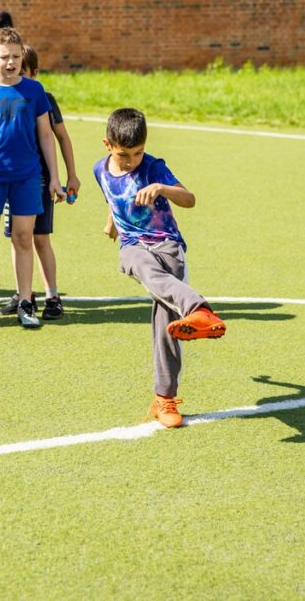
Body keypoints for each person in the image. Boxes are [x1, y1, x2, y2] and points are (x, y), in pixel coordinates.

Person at [94, 108, 226, 428]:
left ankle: (164, 398)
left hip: (168, 246)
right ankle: (199, 309)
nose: (132, 161)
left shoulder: (153, 167)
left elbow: (189, 198)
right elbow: (113, 196)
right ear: (107, 145)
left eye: (138, 153)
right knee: (139, 264)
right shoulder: (100, 169)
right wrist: (112, 223)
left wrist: (162, 188)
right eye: (124, 155)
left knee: (166, 320)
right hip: (133, 246)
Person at [0, 27, 64, 328]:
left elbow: (46, 136)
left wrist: (55, 177)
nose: (11, 63)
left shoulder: (35, 90)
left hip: (28, 177)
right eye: (5, 57)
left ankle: (25, 302)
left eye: (16, 57)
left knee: (23, 238)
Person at [0, 44, 80, 321]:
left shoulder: (43, 98)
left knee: (40, 237)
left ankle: (52, 295)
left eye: (23, 71)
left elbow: (62, 137)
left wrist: (70, 174)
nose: (16, 74)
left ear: (35, 72)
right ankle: (24, 294)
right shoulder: (3, 94)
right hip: (13, 179)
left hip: (42, 179)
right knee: (17, 237)